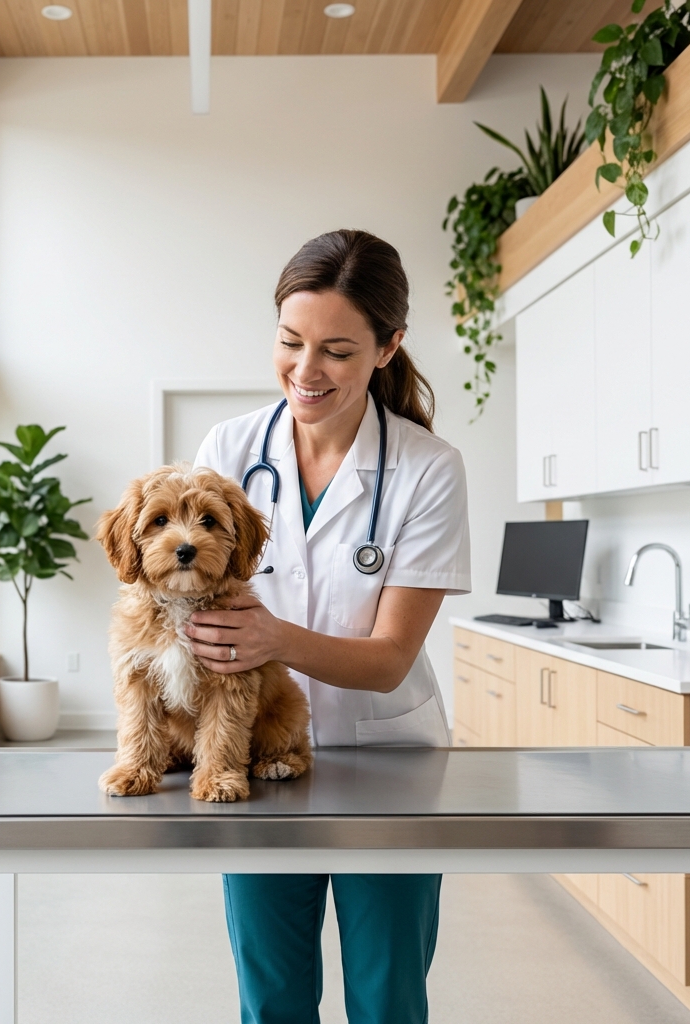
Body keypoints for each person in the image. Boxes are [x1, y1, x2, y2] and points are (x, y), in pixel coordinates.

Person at [188, 229, 470, 1024]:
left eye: (337, 351)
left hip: (384, 764)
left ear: (389, 348)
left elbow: (388, 660)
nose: (305, 372)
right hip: (255, 757)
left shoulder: (427, 468)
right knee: (272, 998)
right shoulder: (230, 448)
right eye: (289, 342)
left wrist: (272, 639)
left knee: (386, 1000)